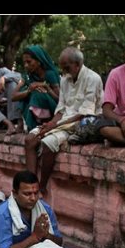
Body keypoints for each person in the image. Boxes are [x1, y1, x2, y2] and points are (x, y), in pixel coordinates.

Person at [24, 47, 103, 194]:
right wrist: (51, 124)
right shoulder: (65, 79)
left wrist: (54, 125)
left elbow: (85, 114)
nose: (64, 71)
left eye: (66, 67)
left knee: (48, 143)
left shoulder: (93, 79)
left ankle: (42, 187)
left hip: (82, 124)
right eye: (62, 68)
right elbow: (61, 109)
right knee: (30, 139)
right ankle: (30, 184)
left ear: (78, 65)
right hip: (63, 122)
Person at [11, 45, 61, 132]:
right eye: (24, 62)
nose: (26, 65)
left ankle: (38, 124)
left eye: (29, 62)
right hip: (35, 108)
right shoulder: (27, 76)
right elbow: (13, 96)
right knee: (25, 94)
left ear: (39, 61)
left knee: (37, 93)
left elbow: (60, 100)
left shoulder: (50, 74)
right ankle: (28, 124)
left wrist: (47, 87)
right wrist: (28, 91)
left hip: (52, 110)